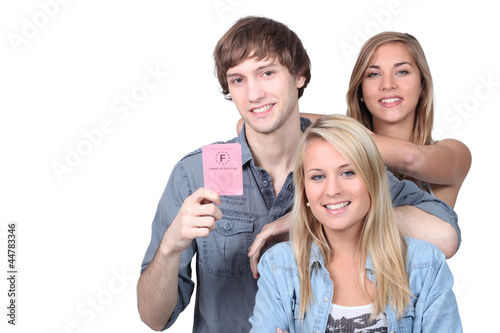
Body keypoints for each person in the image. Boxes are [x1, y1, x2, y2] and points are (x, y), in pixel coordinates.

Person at [137, 17, 459, 332]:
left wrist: (301, 219)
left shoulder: (343, 164)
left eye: (267, 73)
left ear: (299, 76)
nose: (253, 94)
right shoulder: (195, 174)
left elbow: (445, 236)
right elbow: (154, 319)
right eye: (238, 80)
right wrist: (169, 246)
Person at [249, 115, 462, 332]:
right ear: (304, 189)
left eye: (348, 172)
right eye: (317, 177)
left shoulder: (425, 265)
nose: (332, 190)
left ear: (373, 180)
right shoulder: (280, 265)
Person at [288, 32, 471, 208]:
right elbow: (284, 121)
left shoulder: (455, 153)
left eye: (402, 72)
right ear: (360, 90)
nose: (388, 85)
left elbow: (410, 157)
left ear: (423, 86)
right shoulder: (337, 150)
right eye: (374, 74)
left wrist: (343, 132)